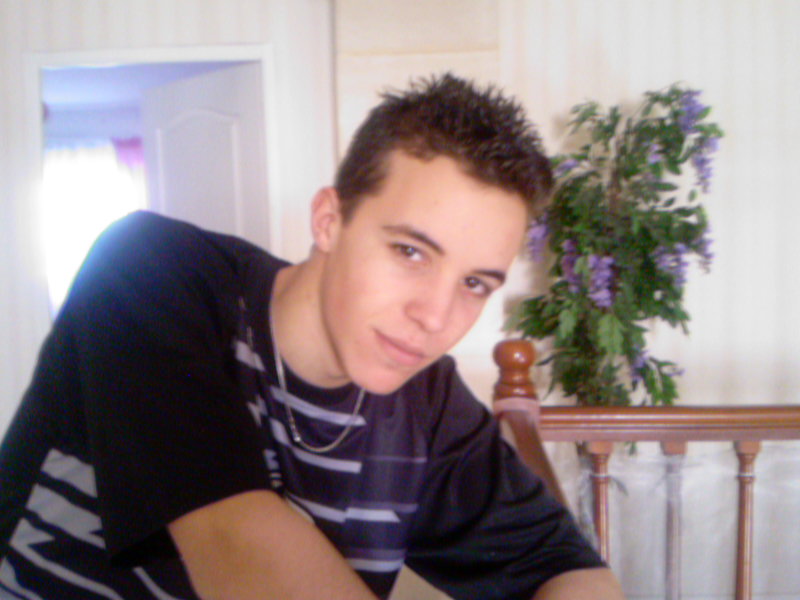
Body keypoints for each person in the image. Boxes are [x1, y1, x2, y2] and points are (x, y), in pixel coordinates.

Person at [0, 73, 624, 599]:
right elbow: (241, 552)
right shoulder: (151, 271)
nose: (435, 317)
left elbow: (573, 573)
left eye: (474, 283)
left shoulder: (431, 406)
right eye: (410, 251)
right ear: (329, 220)